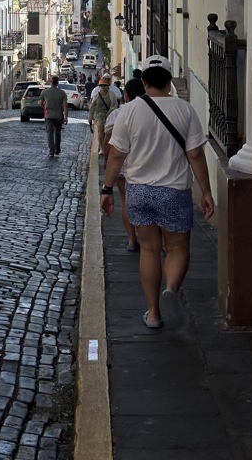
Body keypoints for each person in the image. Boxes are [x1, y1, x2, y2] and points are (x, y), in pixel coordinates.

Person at [100, 55, 214, 330]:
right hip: (174, 191)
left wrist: (106, 189)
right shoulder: (185, 110)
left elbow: (116, 155)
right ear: (169, 80)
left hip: (139, 192)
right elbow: (196, 154)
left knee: (149, 250)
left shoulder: (128, 111)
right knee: (176, 248)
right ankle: (171, 288)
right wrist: (206, 191)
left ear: (143, 81)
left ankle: (153, 313)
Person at [103, 78, 147, 251]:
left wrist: (107, 161)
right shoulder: (148, 112)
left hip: (122, 165)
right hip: (142, 162)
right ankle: (148, 237)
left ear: (126, 95)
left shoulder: (116, 114)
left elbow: (107, 141)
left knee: (125, 200)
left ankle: (131, 240)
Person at [41, 75, 68, 158]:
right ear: (57, 83)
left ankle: (51, 151)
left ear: (50, 82)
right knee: (58, 132)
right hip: (58, 116)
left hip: (48, 115)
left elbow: (41, 103)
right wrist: (66, 117)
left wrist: (45, 106)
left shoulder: (45, 92)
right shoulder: (62, 93)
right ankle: (57, 149)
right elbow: (65, 106)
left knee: (50, 133)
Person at [88, 78, 115, 155]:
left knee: (107, 132)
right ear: (99, 86)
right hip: (98, 114)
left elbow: (115, 105)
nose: (103, 87)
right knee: (100, 130)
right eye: (102, 85)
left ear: (108, 86)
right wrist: (90, 118)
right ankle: (102, 148)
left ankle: (107, 146)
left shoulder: (112, 94)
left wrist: (110, 110)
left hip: (109, 114)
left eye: (105, 85)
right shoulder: (96, 95)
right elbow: (92, 107)